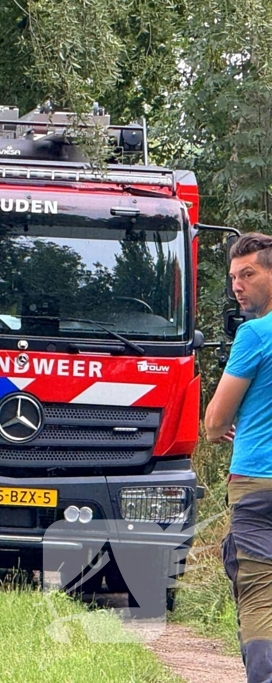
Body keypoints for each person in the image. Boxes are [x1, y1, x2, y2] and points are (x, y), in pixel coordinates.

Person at [205, 232, 272, 683]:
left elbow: (213, 423)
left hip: (257, 485)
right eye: (233, 277)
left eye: (248, 274)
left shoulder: (254, 335)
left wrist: (224, 423)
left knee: (259, 598)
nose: (237, 285)